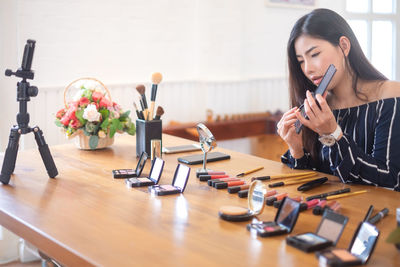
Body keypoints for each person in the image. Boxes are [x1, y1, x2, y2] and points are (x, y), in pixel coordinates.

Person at [277, 8, 400, 191]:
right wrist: (297, 150)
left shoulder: (390, 94)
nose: (308, 69)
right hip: (326, 212)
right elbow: (316, 180)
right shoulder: (318, 105)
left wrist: (334, 135)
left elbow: (390, 180)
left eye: (314, 54)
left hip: (373, 215)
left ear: (344, 46)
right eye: (301, 60)